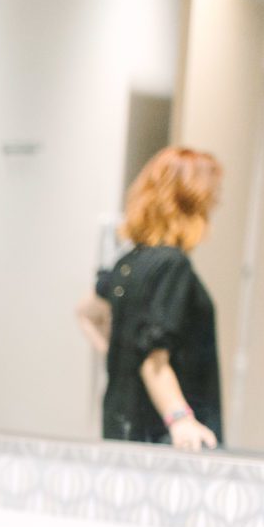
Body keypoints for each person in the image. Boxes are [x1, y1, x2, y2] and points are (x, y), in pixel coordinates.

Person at [75, 145, 225, 452]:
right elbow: (153, 362)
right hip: (165, 437)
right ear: (191, 202)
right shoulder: (173, 265)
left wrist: (119, 353)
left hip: (123, 424)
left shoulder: (130, 262)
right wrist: (181, 420)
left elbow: (85, 313)